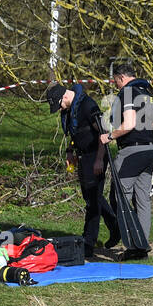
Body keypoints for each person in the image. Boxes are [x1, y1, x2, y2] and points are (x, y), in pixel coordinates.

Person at [46, 81, 119, 257]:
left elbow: (103, 133)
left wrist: (99, 160)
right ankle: (115, 227)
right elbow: (76, 133)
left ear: (65, 96)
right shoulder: (71, 109)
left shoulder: (87, 105)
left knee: (92, 201)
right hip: (83, 156)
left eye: (59, 105)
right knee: (92, 196)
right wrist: (70, 151)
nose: (60, 109)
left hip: (95, 156)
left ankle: (88, 242)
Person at [100, 62, 153, 259]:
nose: (116, 86)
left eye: (115, 82)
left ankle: (133, 244)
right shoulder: (150, 94)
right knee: (142, 199)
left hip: (131, 152)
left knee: (119, 197)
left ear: (121, 77)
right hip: (150, 150)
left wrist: (110, 136)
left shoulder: (127, 93)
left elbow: (129, 124)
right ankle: (142, 245)